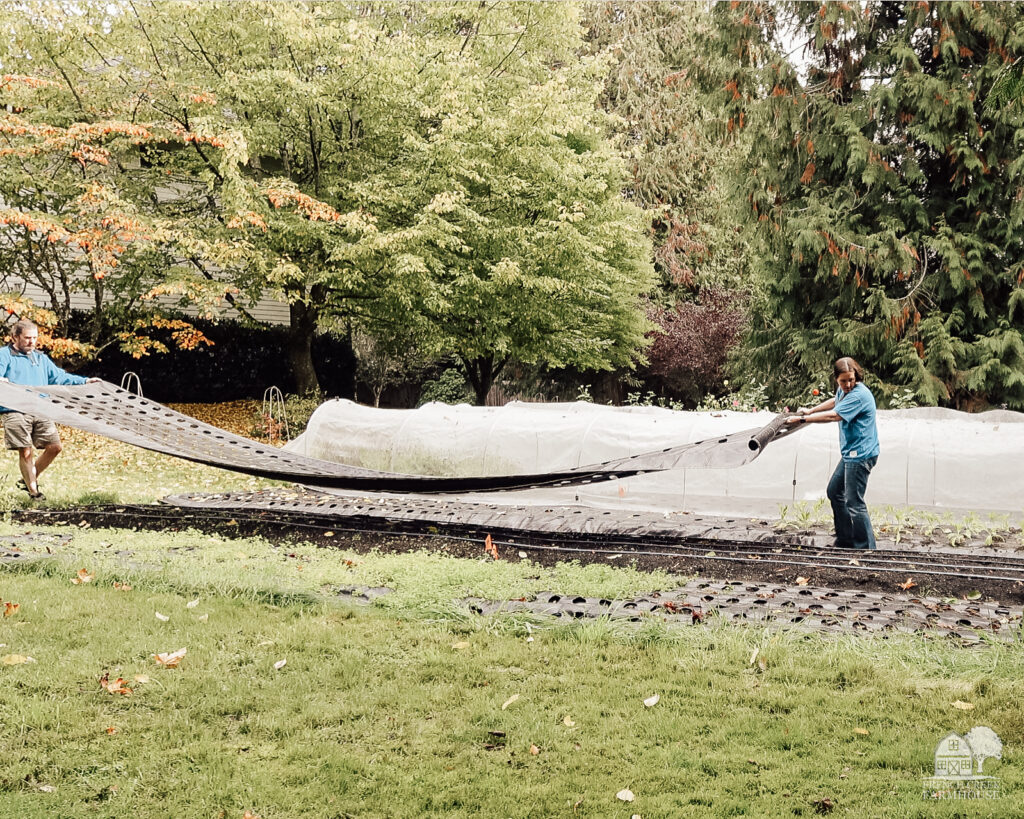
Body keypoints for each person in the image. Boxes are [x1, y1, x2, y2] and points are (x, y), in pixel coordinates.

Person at [0, 319, 100, 500]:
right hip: (14, 409)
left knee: (55, 447)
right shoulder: (4, 355)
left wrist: (85, 381)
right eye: (27, 338)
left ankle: (28, 479)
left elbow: (60, 377)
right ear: (15, 337)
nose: (32, 342)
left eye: (34, 338)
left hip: (40, 408)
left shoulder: (40, 358)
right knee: (26, 450)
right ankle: (34, 493)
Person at [787, 357, 879, 550]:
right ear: (836, 379)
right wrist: (811, 410)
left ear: (856, 376)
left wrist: (802, 419)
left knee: (854, 502)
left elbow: (834, 415)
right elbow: (834, 402)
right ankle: (846, 540)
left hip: (860, 454)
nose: (848, 384)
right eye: (843, 381)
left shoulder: (859, 395)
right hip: (850, 453)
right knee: (835, 492)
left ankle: (866, 549)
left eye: (851, 380)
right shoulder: (844, 391)